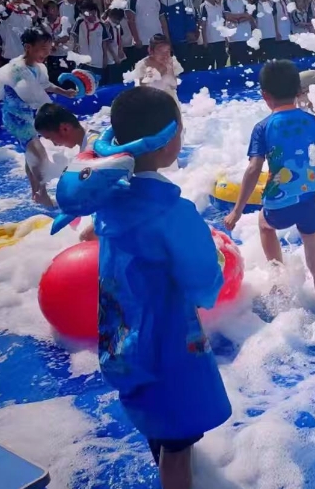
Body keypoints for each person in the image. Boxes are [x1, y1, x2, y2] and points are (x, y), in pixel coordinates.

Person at [69, 86, 231, 489]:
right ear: (169, 142)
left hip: (122, 333)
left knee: (156, 420)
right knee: (178, 445)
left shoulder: (109, 199)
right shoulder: (173, 211)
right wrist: (217, 263)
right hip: (167, 342)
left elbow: (93, 237)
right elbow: (201, 280)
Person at [224, 60, 315, 302]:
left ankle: (278, 276)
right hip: (309, 200)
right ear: (299, 92)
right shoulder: (312, 121)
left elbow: (254, 169)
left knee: (265, 225)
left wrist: (237, 211)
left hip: (279, 204)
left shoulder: (263, 127)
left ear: (265, 95)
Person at [0, 28, 76, 206]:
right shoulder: (16, 70)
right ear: (28, 47)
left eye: (48, 48)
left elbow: (45, 85)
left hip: (29, 116)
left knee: (31, 154)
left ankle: (35, 194)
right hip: (17, 119)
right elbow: (33, 96)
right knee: (39, 154)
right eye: (42, 48)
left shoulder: (38, 67)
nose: (46, 53)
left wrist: (64, 92)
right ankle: (42, 194)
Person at [154, 0, 198, 70]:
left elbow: (190, 11)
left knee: (183, 66)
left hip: (181, 36)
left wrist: (190, 30)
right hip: (160, 38)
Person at [126, 0, 168, 66]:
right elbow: (130, 20)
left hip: (158, 41)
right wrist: (137, 39)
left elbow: (162, 20)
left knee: (160, 68)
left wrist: (166, 38)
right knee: (145, 71)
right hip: (143, 42)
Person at [74, 0, 118, 82]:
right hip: (82, 61)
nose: (85, 15)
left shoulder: (101, 25)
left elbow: (104, 43)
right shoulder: (80, 22)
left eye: (86, 12)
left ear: (94, 12)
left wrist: (105, 58)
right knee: (83, 84)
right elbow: (74, 36)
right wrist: (75, 47)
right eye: (83, 12)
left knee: (97, 84)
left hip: (97, 60)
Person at [130, 35, 183, 102]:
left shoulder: (172, 61)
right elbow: (142, 89)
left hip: (169, 99)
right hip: (151, 100)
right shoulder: (143, 64)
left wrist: (169, 69)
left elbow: (174, 85)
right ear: (151, 52)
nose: (165, 55)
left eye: (167, 51)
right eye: (161, 52)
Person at [223, 0, 256, 66]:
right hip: (234, 38)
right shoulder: (225, 1)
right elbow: (228, 17)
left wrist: (237, 17)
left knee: (248, 63)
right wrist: (241, 16)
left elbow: (248, 15)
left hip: (247, 36)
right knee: (236, 64)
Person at [199, 0, 227, 70]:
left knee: (221, 64)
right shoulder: (204, 6)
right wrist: (205, 41)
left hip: (220, 40)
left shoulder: (219, 6)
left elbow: (223, 23)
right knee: (210, 65)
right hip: (211, 41)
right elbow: (203, 25)